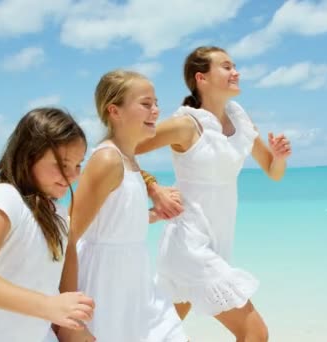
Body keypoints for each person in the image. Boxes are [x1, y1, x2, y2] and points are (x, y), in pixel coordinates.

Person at [136, 46, 292, 341]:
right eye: (226, 66)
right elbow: (124, 147)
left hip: (216, 243)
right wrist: (154, 188)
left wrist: (279, 156)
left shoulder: (240, 120)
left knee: (156, 334)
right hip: (190, 245)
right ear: (201, 78)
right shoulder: (187, 124)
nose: (236, 72)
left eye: (234, 65)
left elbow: (273, 171)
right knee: (255, 333)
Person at [0, 108, 95, 342]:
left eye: (77, 165)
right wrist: (48, 306)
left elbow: (51, 285)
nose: (72, 175)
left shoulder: (59, 215)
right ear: (29, 155)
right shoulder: (4, 199)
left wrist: (70, 326)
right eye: (62, 164)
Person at [58, 70, 187, 342]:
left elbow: (111, 218)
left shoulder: (128, 159)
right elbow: (69, 236)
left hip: (134, 277)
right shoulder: (107, 160)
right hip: (105, 282)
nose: (156, 110)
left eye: (156, 103)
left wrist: (152, 215)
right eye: (146, 103)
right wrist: (68, 316)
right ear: (114, 111)